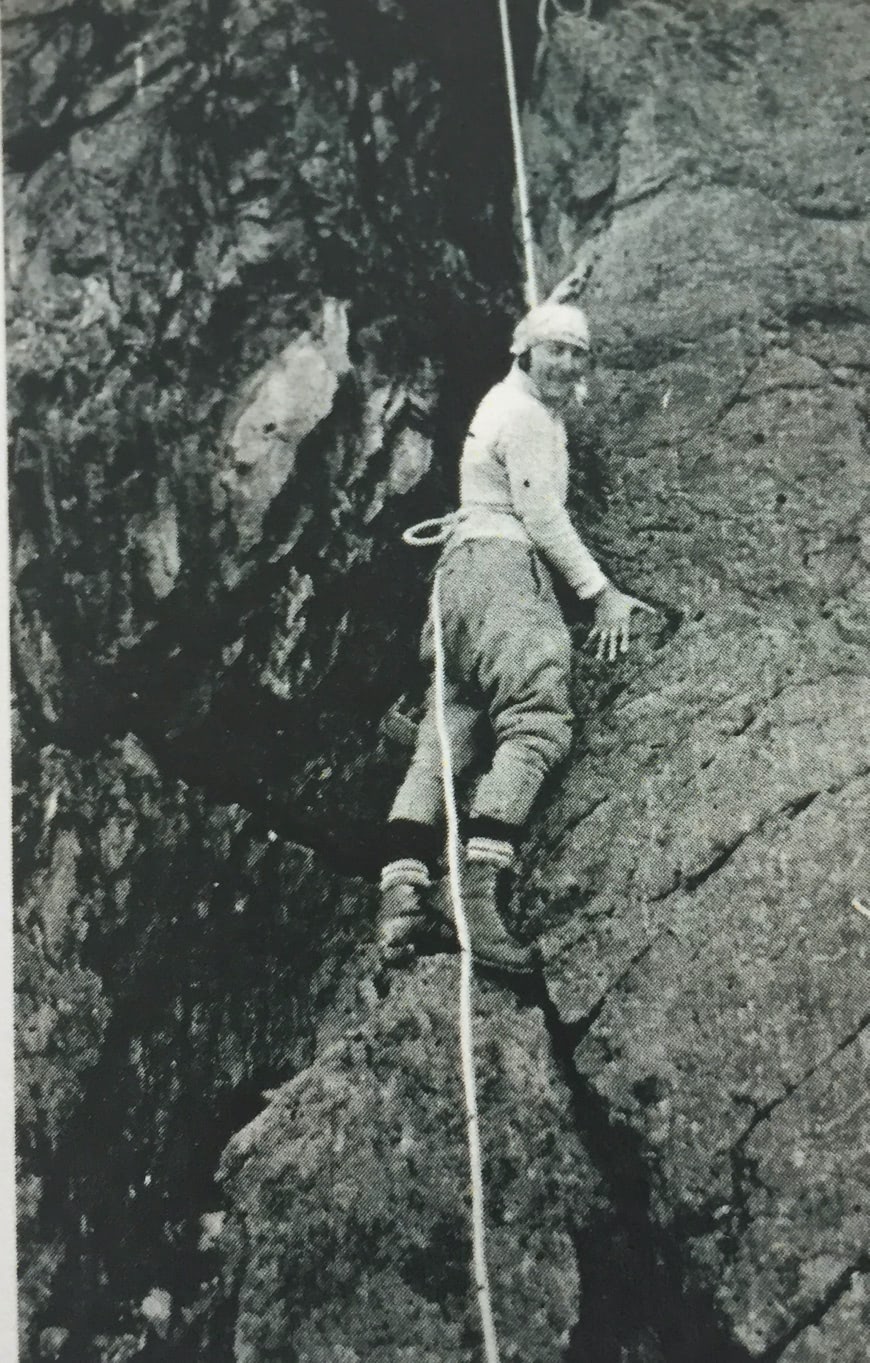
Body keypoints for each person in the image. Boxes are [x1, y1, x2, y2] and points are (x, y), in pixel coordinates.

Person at [378, 300, 653, 972]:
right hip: (503, 571)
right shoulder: (526, 416)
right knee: (534, 724)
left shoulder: (505, 401)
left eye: (577, 352)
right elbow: (540, 511)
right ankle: (471, 898)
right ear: (523, 351)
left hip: (454, 583)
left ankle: (400, 903)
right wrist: (600, 592)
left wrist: (559, 304)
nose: (565, 362)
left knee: (449, 730)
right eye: (553, 348)